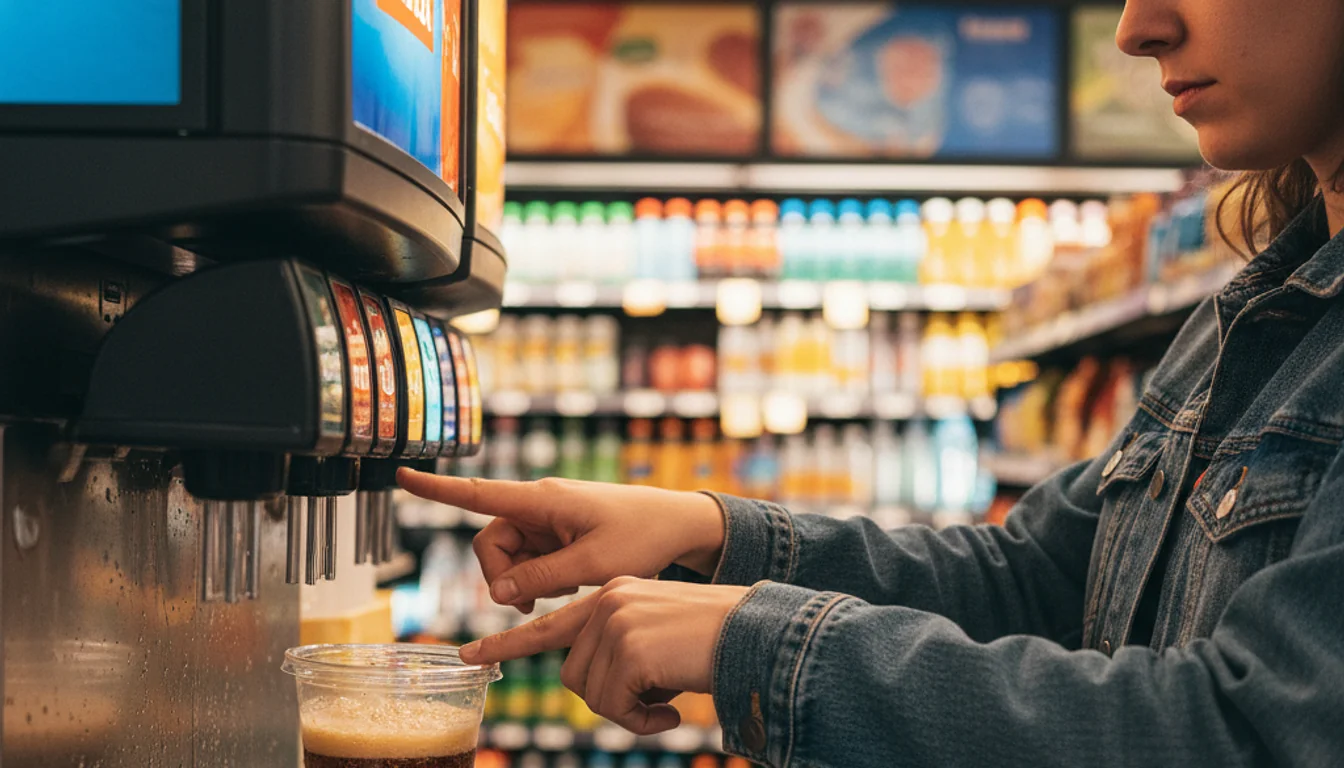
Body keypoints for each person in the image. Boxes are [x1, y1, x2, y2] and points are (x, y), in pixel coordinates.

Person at [399, 0, 1344, 764]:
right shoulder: (1246, 315)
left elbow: (1258, 735)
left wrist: (765, 638)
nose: (1135, 26)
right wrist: (708, 530)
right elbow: (1041, 583)